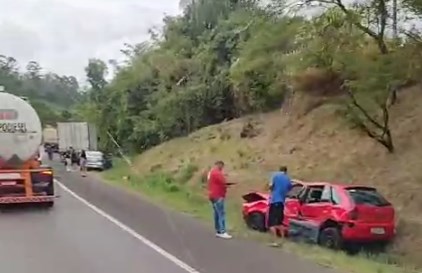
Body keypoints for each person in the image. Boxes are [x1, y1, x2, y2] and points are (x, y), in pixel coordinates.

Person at [267, 166, 293, 247]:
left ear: (280, 170)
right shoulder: (288, 179)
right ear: (286, 171)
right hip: (281, 202)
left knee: (271, 223)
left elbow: (270, 186)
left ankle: (274, 241)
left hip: (274, 201)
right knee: (279, 223)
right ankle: (282, 240)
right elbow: (289, 188)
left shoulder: (275, 176)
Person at [207, 160, 233, 239]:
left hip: (212, 194)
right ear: (219, 165)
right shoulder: (217, 173)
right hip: (218, 195)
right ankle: (222, 231)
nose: (222, 168)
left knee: (216, 213)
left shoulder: (211, 173)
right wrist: (227, 185)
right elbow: (223, 182)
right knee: (221, 213)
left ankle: (218, 230)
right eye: (222, 166)